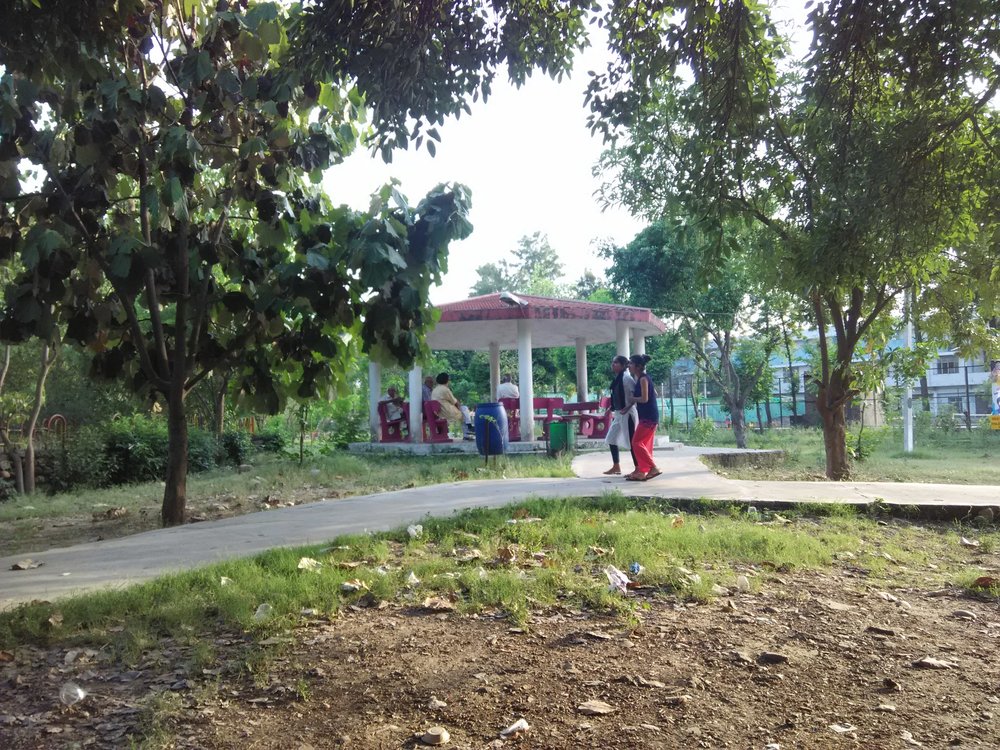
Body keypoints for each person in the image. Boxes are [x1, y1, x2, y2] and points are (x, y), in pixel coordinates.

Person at [625, 353, 661, 481]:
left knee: (636, 442)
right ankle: (641, 471)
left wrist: (632, 398)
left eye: (630, 363)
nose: (628, 366)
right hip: (647, 416)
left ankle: (653, 468)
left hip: (648, 417)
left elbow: (645, 399)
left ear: (638, 366)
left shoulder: (643, 379)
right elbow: (654, 393)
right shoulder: (641, 379)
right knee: (644, 445)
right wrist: (627, 407)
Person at [603, 355, 637, 475]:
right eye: (613, 362)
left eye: (616, 363)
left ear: (623, 365)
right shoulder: (617, 378)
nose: (613, 365)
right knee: (611, 438)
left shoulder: (626, 378)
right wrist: (611, 408)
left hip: (627, 414)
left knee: (632, 441)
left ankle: (638, 468)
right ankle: (616, 466)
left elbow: (635, 395)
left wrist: (627, 406)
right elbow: (616, 396)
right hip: (618, 414)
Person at [431, 372, 474, 438]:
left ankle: (467, 429)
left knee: (463, 411)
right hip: (447, 412)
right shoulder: (445, 389)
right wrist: (459, 407)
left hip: (439, 412)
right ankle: (468, 428)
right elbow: (455, 402)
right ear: (446, 380)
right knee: (464, 409)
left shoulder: (434, 390)